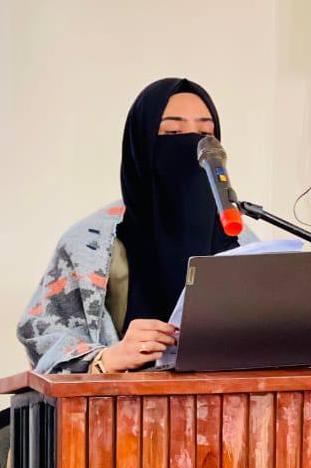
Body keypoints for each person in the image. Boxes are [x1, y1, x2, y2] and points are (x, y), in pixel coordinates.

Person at [17, 76, 253, 375]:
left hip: (230, 401)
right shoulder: (91, 244)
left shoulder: (239, 238)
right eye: (172, 132)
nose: (191, 144)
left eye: (205, 134)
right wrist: (105, 359)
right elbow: (41, 336)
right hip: (119, 402)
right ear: (141, 145)